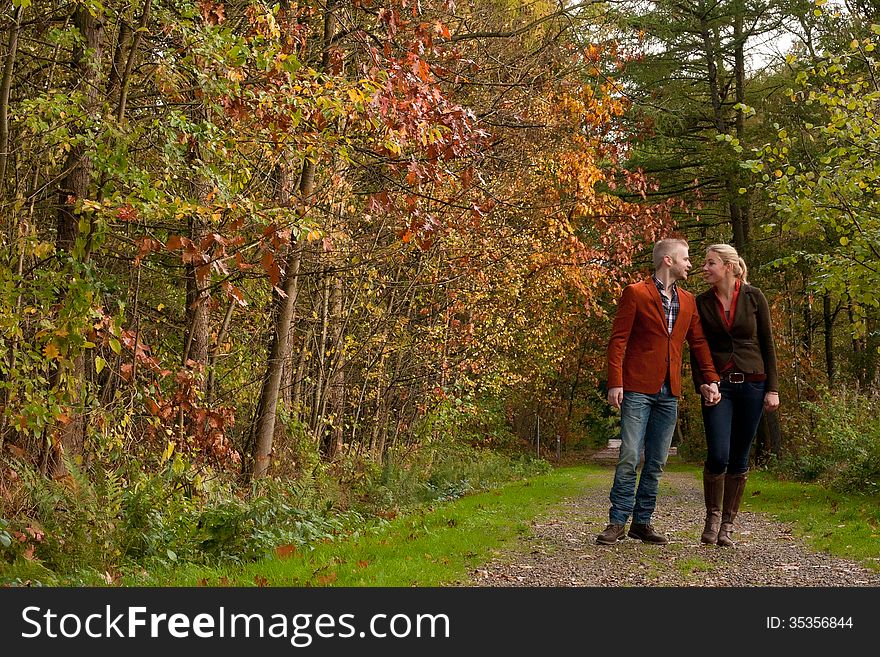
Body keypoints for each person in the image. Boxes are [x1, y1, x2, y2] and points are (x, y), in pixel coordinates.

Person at [597, 238, 721, 545]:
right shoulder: (636, 293)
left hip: (670, 391)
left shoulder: (688, 301)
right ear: (668, 261)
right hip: (637, 387)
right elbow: (618, 341)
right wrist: (615, 381)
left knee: (656, 462)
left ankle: (642, 522)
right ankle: (617, 522)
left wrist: (711, 379)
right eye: (686, 258)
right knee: (629, 456)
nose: (690, 264)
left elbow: (699, 343)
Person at [692, 244, 780, 546]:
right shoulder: (701, 302)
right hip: (719, 385)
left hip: (754, 385)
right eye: (704, 263)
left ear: (728, 266)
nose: (704, 268)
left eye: (710, 263)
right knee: (718, 453)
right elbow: (697, 347)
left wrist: (773, 389)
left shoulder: (755, 297)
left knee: (740, 456)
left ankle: (728, 525)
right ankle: (712, 517)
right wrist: (703, 383)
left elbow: (767, 343)